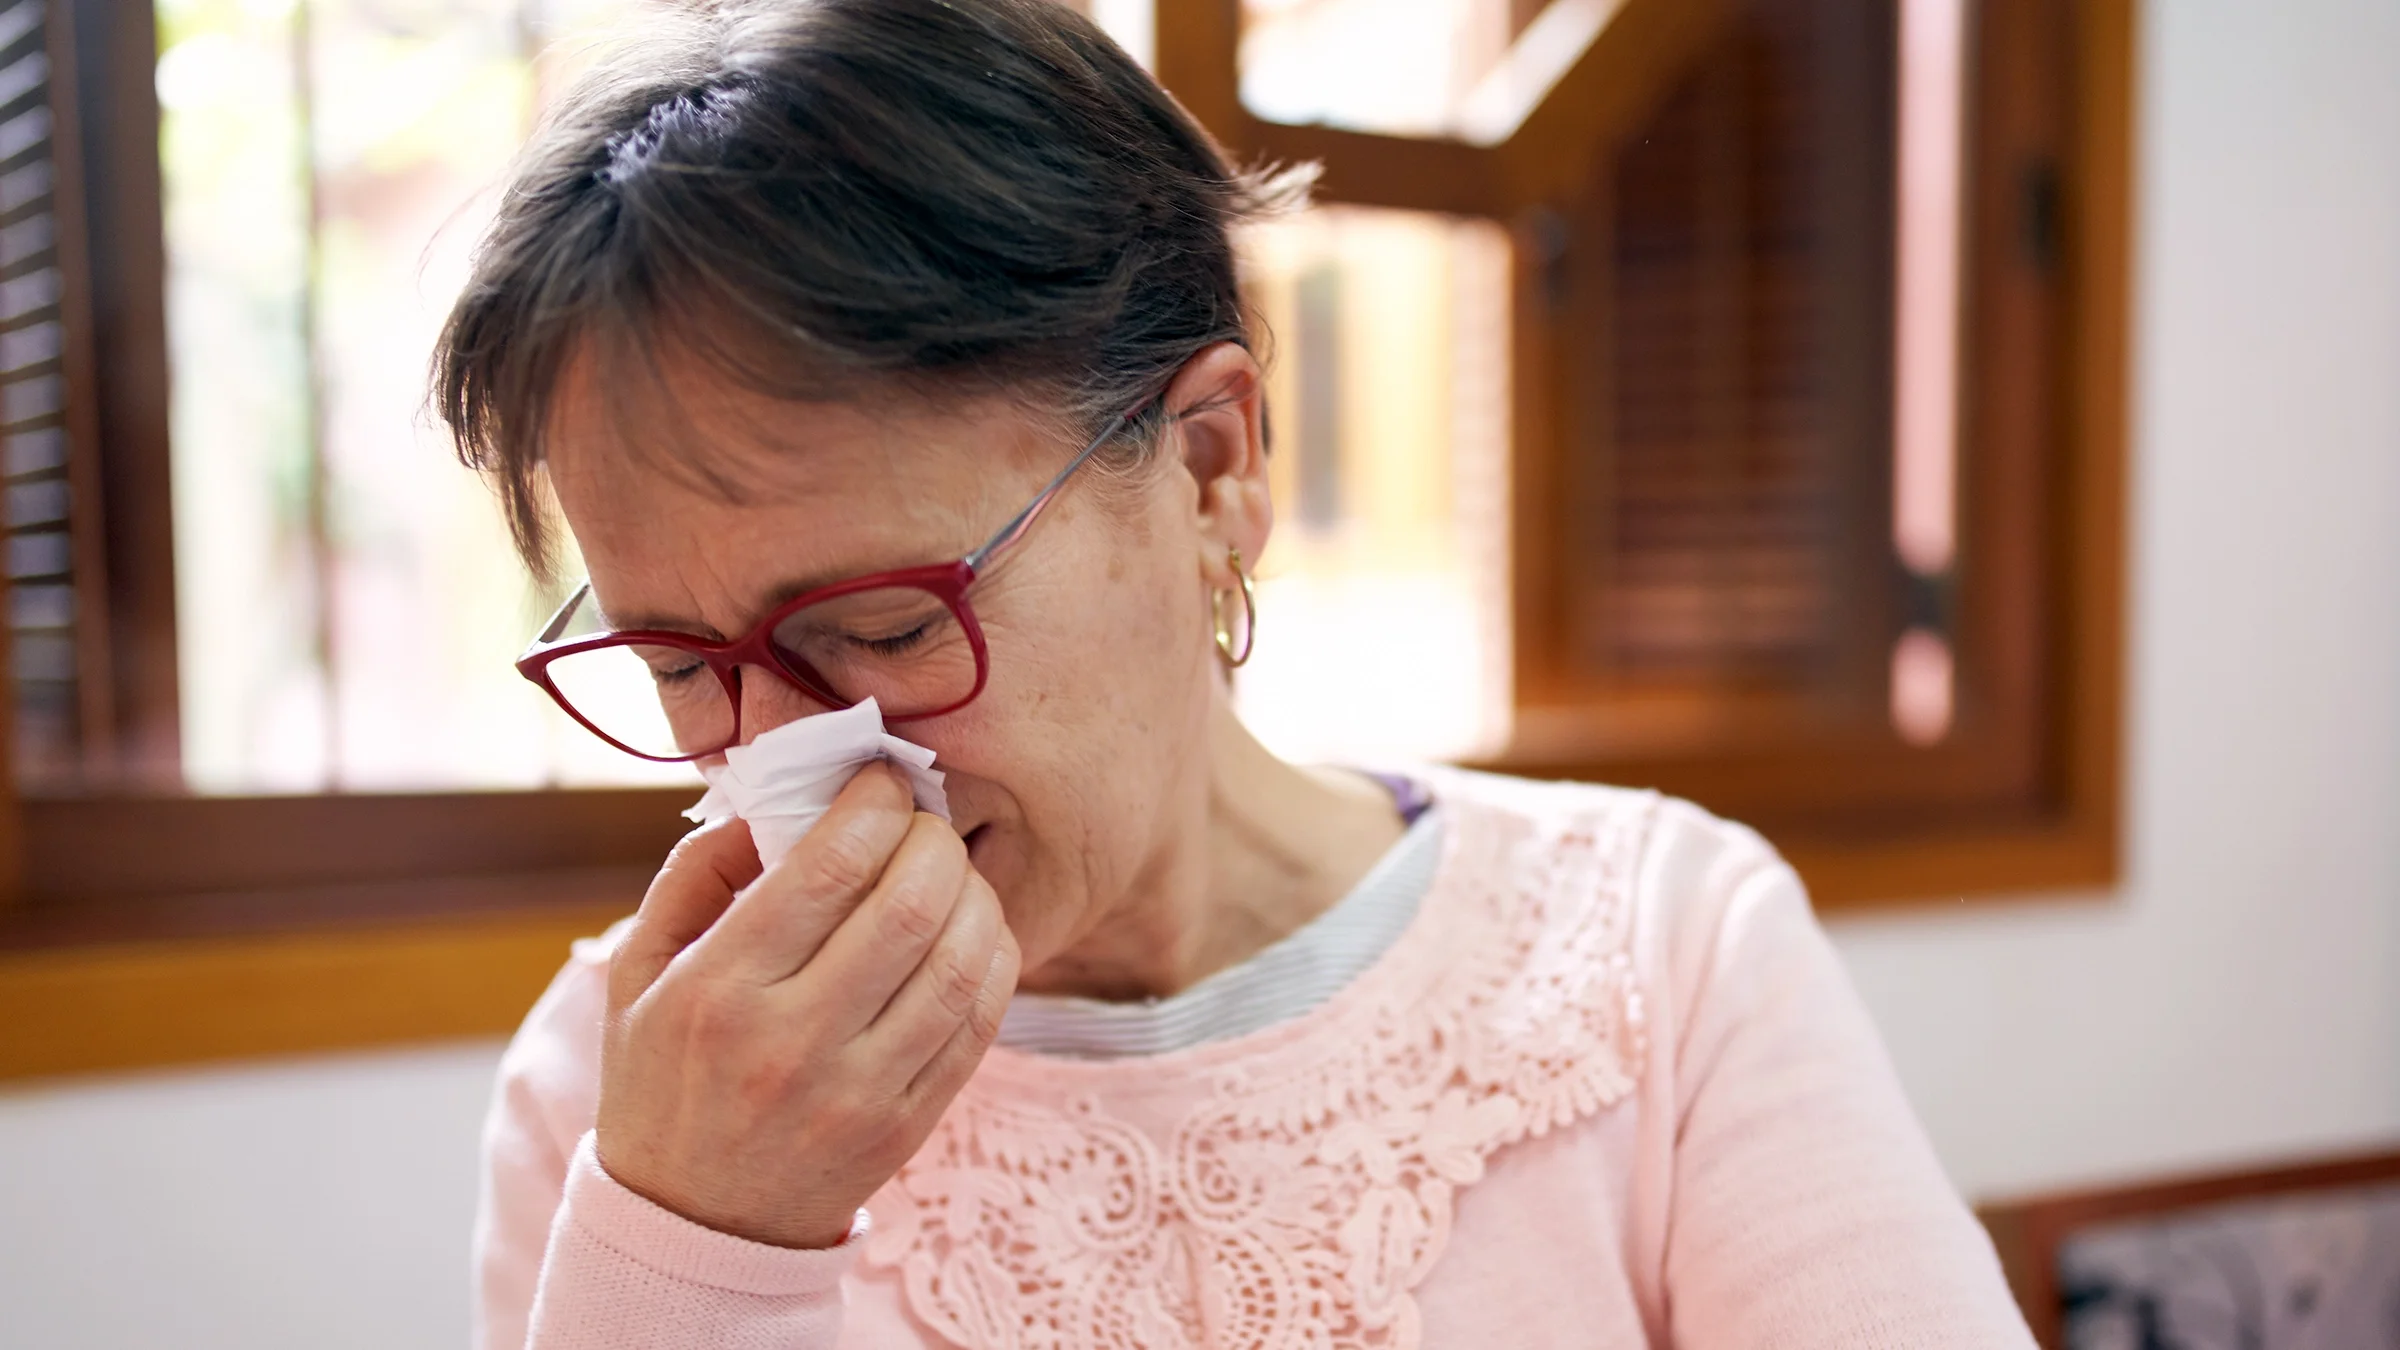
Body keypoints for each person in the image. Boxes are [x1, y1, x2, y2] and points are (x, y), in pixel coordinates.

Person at [442, 1, 2034, 1345]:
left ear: (1209, 469)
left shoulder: (1659, 957)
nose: (796, 762)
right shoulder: (630, 1088)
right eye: (680, 665)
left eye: (883, 627)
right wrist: (699, 1244)